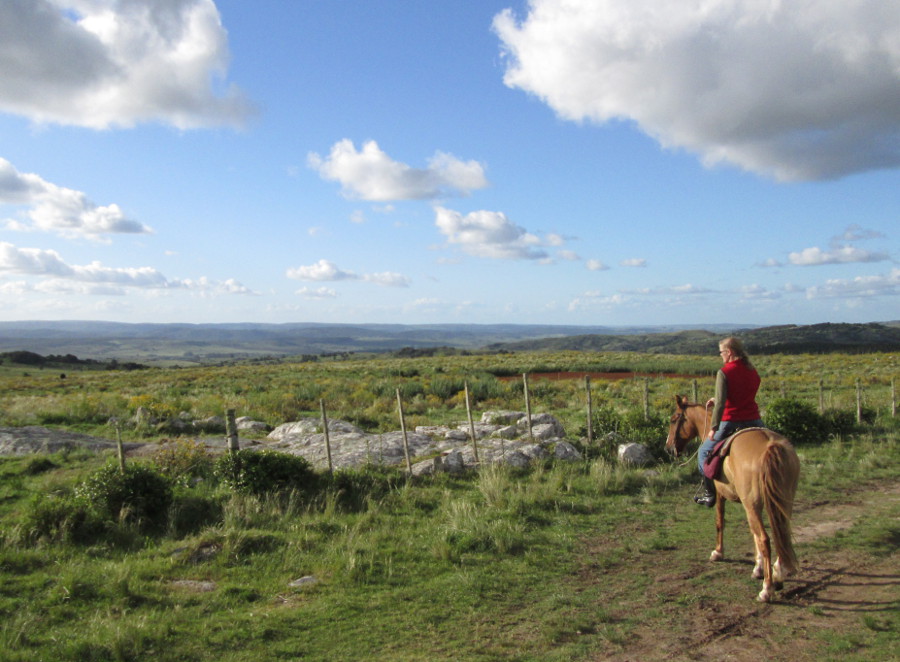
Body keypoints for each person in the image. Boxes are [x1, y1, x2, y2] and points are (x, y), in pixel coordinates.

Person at [694, 337, 765, 507]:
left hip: (731, 421)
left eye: (721, 352)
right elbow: (742, 394)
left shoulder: (724, 372)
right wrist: (718, 398)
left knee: (703, 453)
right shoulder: (752, 370)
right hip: (755, 420)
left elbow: (720, 405)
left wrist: (714, 427)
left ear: (730, 352)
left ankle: (710, 493)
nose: (721, 355)